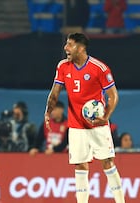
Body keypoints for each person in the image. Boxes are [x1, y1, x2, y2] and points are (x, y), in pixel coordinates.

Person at [44, 33, 125, 203]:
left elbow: (113, 95)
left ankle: (120, 201)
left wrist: (106, 117)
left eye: (70, 45)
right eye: (66, 44)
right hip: (75, 126)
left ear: (81, 48)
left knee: (107, 162)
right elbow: (55, 93)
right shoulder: (63, 66)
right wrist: (48, 111)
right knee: (80, 165)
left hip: (97, 125)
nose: (66, 48)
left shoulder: (99, 68)